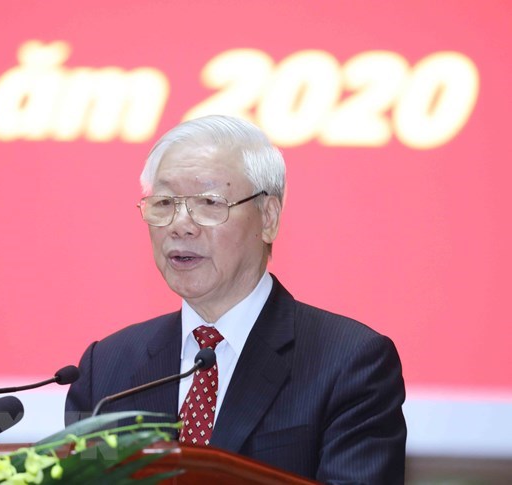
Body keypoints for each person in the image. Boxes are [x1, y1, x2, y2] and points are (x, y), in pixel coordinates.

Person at [65, 115, 407, 483]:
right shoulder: (106, 369)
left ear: (268, 218)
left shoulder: (350, 362)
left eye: (209, 202)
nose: (181, 224)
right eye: (164, 202)